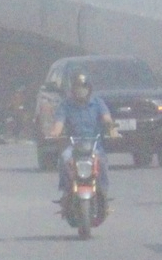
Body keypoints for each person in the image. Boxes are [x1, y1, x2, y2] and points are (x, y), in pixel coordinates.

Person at [45, 69, 116, 203]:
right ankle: (66, 191)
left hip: (94, 145)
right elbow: (59, 123)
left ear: (89, 88)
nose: (80, 90)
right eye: (77, 87)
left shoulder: (98, 103)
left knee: (102, 162)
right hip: (73, 146)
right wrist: (55, 133)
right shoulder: (66, 105)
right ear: (72, 89)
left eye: (83, 87)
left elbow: (107, 118)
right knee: (65, 160)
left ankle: (103, 193)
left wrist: (111, 128)